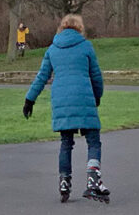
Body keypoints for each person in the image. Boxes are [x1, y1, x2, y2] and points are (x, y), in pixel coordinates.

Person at [22, 14, 109, 203]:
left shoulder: (53, 49)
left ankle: (64, 182)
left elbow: (42, 76)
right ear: (79, 28)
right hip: (84, 99)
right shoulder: (86, 46)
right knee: (93, 141)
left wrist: (29, 99)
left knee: (66, 143)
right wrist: (97, 96)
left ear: (62, 28)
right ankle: (93, 180)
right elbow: (96, 76)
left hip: (62, 102)